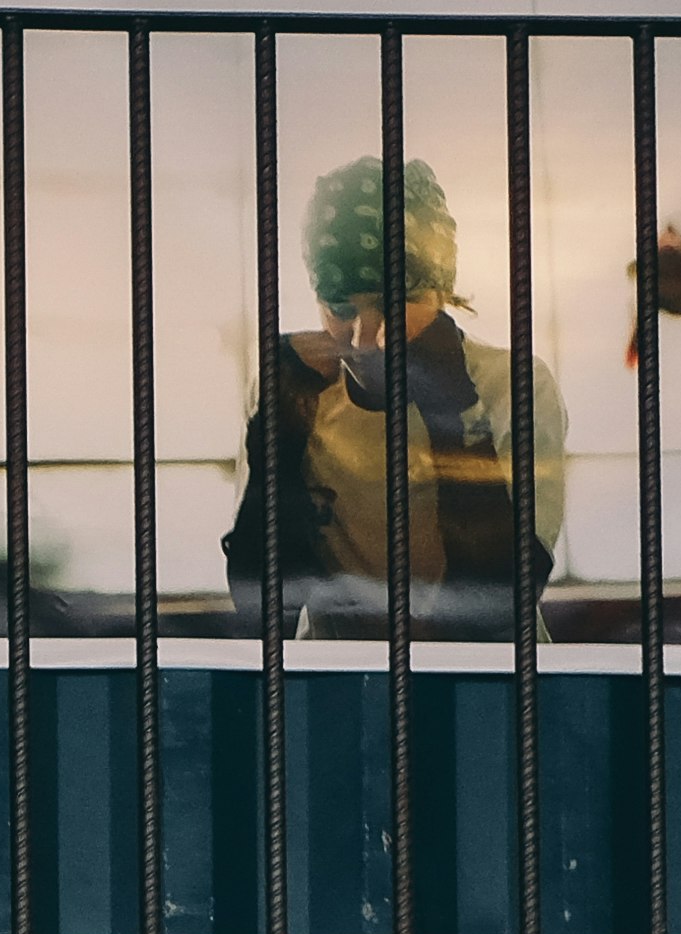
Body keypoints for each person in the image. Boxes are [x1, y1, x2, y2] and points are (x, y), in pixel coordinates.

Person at [219, 157, 567, 640]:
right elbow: (260, 608)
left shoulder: (511, 384)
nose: (363, 339)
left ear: (440, 293)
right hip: (339, 691)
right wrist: (276, 442)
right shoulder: (297, 388)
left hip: (489, 691)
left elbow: (499, 597)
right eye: (339, 308)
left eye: (391, 304)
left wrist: (449, 398)